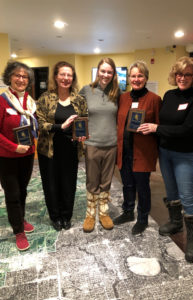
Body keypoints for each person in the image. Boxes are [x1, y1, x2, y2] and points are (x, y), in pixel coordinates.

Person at [139, 56, 193, 262]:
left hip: (187, 154)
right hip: (166, 152)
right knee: (172, 192)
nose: (183, 78)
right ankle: (176, 222)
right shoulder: (168, 96)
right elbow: (162, 121)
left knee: (188, 197)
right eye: (179, 74)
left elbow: (187, 129)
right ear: (174, 75)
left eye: (187, 74)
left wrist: (157, 128)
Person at [36, 61, 87, 231]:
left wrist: (82, 135)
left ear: (73, 78)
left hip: (71, 149)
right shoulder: (45, 98)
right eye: (62, 74)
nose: (66, 78)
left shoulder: (79, 100)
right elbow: (40, 124)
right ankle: (55, 216)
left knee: (68, 183)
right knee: (51, 183)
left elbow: (84, 120)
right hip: (49, 149)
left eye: (69, 75)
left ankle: (66, 215)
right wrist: (61, 126)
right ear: (56, 77)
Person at [0, 61, 37, 251]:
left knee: (24, 190)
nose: (21, 79)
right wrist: (12, 147)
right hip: (6, 157)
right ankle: (18, 231)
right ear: (9, 77)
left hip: (27, 155)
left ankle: (21, 218)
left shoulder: (29, 100)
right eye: (17, 75)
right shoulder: (0, 101)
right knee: (13, 193)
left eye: (24, 76)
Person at [113, 60, 162, 235]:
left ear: (146, 78)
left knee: (142, 187)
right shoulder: (123, 98)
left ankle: (142, 219)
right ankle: (127, 212)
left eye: (140, 75)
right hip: (124, 151)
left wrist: (152, 129)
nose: (136, 79)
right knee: (127, 185)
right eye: (133, 76)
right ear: (129, 79)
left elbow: (159, 127)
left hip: (142, 152)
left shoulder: (155, 100)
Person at [80, 58, 120, 233]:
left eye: (109, 72)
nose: (105, 75)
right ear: (98, 71)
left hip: (111, 143)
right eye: (103, 71)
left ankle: (103, 212)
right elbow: (78, 115)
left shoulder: (118, 92)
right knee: (92, 180)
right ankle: (90, 213)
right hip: (92, 143)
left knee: (106, 180)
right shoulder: (86, 91)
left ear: (113, 74)